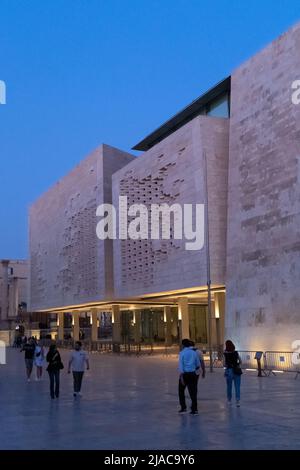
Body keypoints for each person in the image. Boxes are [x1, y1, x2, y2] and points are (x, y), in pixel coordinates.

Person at [178, 338, 200, 415]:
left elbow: (181, 365)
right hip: (193, 374)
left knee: (181, 391)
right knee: (193, 392)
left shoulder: (182, 353)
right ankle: (194, 409)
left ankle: (183, 408)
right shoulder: (194, 353)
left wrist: (181, 376)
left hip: (185, 374)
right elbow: (198, 364)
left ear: (183, 345)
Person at [224, 340, 242, 407]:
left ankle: (229, 400)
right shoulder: (236, 353)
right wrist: (237, 365)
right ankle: (238, 401)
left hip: (229, 371)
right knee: (237, 387)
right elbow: (240, 361)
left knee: (229, 386)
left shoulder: (225, 354)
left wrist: (228, 365)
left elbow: (224, 364)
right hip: (236, 370)